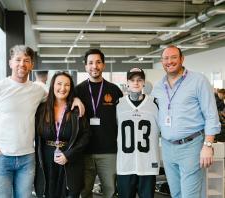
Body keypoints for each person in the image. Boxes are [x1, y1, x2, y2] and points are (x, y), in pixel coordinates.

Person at [0, 45, 84, 198]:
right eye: (18, 60)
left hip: (27, 158)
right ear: (10, 63)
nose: (22, 64)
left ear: (32, 65)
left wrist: (76, 99)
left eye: (26, 60)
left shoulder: (38, 90)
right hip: (1, 158)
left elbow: (58, 96)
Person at [152, 45, 221, 198]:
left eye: (173, 57)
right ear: (162, 61)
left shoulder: (198, 81)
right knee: (176, 193)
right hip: (168, 147)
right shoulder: (158, 87)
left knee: (191, 194)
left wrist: (208, 145)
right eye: (166, 58)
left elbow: (211, 115)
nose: (169, 61)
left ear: (182, 59)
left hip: (191, 146)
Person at [34, 71, 91, 198]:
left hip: (70, 158)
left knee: (69, 193)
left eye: (67, 85)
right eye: (59, 84)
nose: (62, 88)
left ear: (71, 88)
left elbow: (86, 135)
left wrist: (69, 155)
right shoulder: (41, 109)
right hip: (47, 159)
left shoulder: (76, 109)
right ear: (52, 85)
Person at [75, 48, 123, 198]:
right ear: (85, 66)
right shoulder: (78, 91)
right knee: (84, 192)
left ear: (103, 65)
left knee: (110, 191)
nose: (94, 66)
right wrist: (74, 99)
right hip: (84, 151)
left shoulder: (114, 90)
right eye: (90, 63)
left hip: (109, 152)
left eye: (98, 62)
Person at [116, 67, 160, 198]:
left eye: (139, 80)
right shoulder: (119, 104)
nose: (136, 83)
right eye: (132, 80)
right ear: (127, 83)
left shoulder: (154, 103)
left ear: (144, 83)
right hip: (125, 164)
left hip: (147, 163)